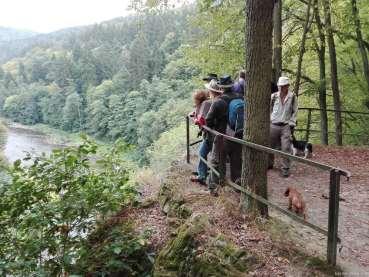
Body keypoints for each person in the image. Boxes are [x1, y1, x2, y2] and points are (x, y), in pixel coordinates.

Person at [269, 76, 298, 177]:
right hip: (273, 124)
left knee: (286, 148)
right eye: (279, 86)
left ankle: (285, 169)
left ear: (287, 86)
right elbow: (269, 109)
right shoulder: (273, 96)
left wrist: (292, 124)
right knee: (270, 146)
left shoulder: (293, 97)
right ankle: (269, 164)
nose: (281, 88)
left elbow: (295, 112)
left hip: (286, 126)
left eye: (283, 86)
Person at [205, 79, 227, 196]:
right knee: (222, 159)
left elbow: (208, 119)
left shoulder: (216, 102)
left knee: (214, 160)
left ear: (212, 91)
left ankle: (213, 188)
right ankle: (221, 182)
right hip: (226, 133)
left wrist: (208, 126)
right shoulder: (224, 101)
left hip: (218, 135)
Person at [189, 90, 213, 185]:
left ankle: (202, 176)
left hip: (210, 134)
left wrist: (195, 119)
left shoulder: (205, 105)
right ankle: (202, 172)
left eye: (195, 99)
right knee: (204, 152)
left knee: (202, 152)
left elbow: (200, 120)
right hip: (209, 133)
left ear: (198, 99)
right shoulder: (205, 104)